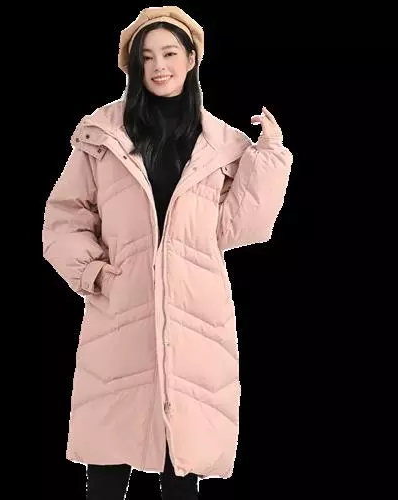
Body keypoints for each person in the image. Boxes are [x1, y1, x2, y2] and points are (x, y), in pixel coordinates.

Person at [42, 6, 293, 500]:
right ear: (133, 65)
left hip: (195, 315)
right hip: (120, 313)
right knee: (107, 468)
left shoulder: (223, 146)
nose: (159, 66)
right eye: (147, 57)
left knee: (181, 467)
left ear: (192, 58)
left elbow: (239, 228)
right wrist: (94, 273)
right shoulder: (102, 136)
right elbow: (65, 219)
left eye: (170, 54)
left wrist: (267, 158)